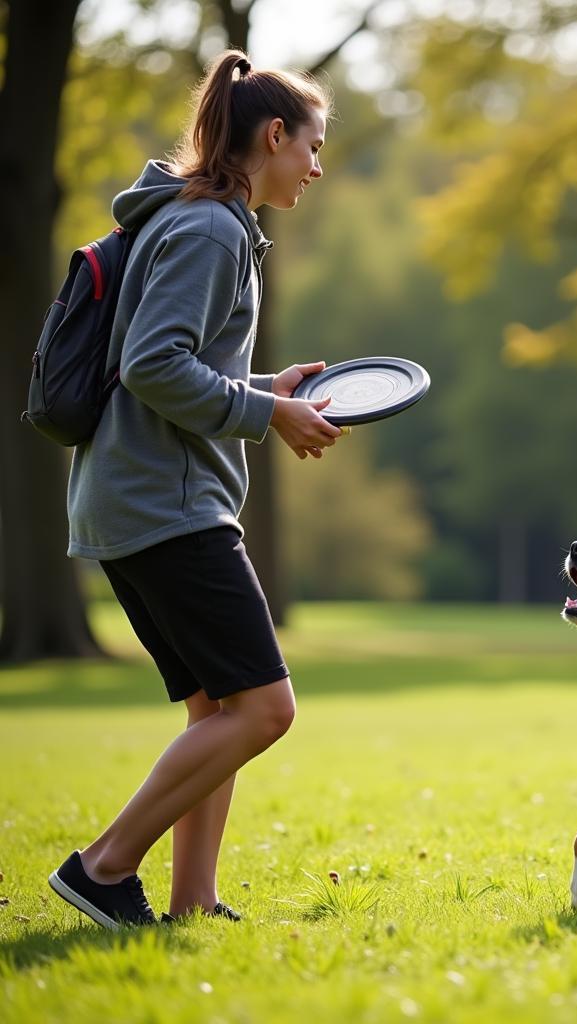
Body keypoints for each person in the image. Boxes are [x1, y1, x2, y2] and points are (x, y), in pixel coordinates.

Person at [48, 51, 343, 929]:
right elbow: (150, 365)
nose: (317, 168)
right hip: (167, 508)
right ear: (274, 135)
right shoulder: (213, 226)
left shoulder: (195, 219)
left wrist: (265, 385)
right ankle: (103, 867)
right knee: (265, 707)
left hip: (132, 500)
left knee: (216, 706)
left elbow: (176, 355)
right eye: (313, 147)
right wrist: (265, 414)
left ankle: (192, 901)